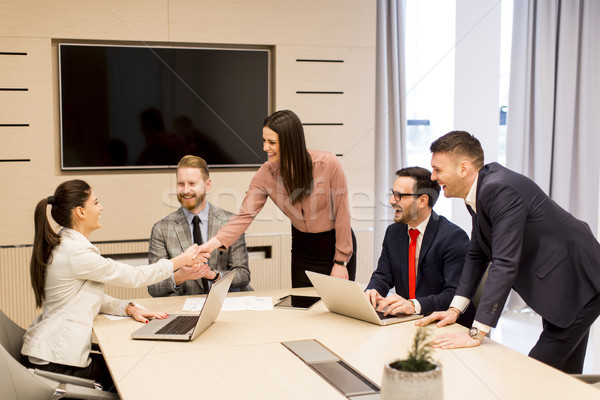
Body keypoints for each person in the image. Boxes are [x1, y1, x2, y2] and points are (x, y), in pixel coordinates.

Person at [416, 130, 600, 374]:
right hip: (563, 280)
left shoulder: (499, 189)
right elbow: (477, 254)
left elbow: (504, 262)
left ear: (463, 168)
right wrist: (455, 309)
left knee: (534, 373)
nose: (433, 176)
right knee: (564, 373)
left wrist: (476, 331)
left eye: (438, 169)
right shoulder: (480, 191)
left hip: (579, 278)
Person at [21, 180, 207, 392]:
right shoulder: (76, 253)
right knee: (130, 377)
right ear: (81, 211)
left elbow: (86, 296)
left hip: (49, 353)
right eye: (96, 202)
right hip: (54, 361)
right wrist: (182, 259)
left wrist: (127, 308)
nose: (100, 208)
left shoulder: (67, 245)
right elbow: (135, 277)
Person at [199, 109, 356, 288]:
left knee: (337, 309)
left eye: (271, 142)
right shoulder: (265, 174)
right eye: (264, 141)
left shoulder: (327, 164)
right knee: (303, 308)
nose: (265, 148)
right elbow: (244, 215)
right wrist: (211, 244)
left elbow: (342, 213)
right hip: (302, 248)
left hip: (334, 245)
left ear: (290, 143)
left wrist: (341, 262)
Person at [365, 167, 474, 327]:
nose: (391, 201)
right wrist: (372, 291)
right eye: (392, 193)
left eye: (399, 196)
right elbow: (383, 275)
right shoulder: (393, 232)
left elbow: (455, 293)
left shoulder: (453, 237)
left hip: (443, 323)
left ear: (422, 200)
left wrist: (414, 305)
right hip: (405, 322)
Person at [148, 155, 251, 297]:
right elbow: (154, 287)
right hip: (183, 307)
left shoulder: (230, 223)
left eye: (192, 184)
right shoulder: (161, 229)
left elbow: (243, 275)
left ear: (207, 185)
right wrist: (180, 276)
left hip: (224, 303)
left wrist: (212, 275)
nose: (185, 190)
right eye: (181, 184)